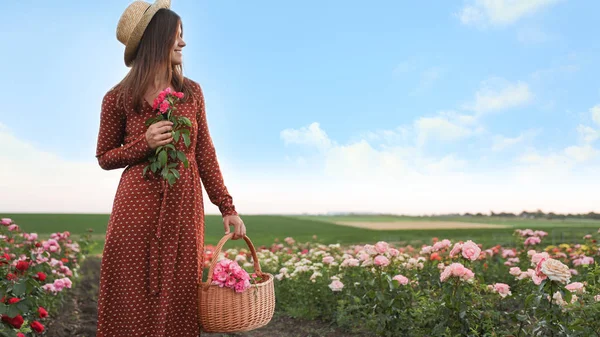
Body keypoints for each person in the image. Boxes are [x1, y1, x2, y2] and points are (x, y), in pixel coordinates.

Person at [94, 1, 246, 336]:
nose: (183, 43)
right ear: (156, 40)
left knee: (180, 295)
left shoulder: (192, 93)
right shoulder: (117, 98)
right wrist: (143, 144)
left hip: (183, 208)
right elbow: (105, 156)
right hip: (137, 208)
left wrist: (227, 206)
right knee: (130, 292)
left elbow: (204, 152)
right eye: (177, 36)